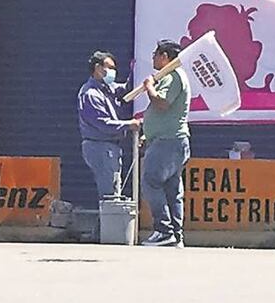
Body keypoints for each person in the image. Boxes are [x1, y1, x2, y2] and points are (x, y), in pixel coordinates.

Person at [140, 39, 192, 247]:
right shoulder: (174, 76)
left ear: (164, 56)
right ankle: (175, 235)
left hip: (168, 142)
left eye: (156, 54)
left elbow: (162, 103)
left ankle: (164, 230)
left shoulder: (172, 76)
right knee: (172, 189)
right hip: (171, 141)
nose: (153, 58)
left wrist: (149, 88)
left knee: (151, 181)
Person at [78, 51, 140, 201]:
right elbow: (103, 123)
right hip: (100, 147)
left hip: (109, 147)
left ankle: (109, 216)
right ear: (98, 68)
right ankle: (109, 217)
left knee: (114, 189)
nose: (113, 72)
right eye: (110, 67)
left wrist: (136, 69)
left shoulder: (107, 89)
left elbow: (127, 89)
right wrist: (129, 124)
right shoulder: (91, 94)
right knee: (109, 194)